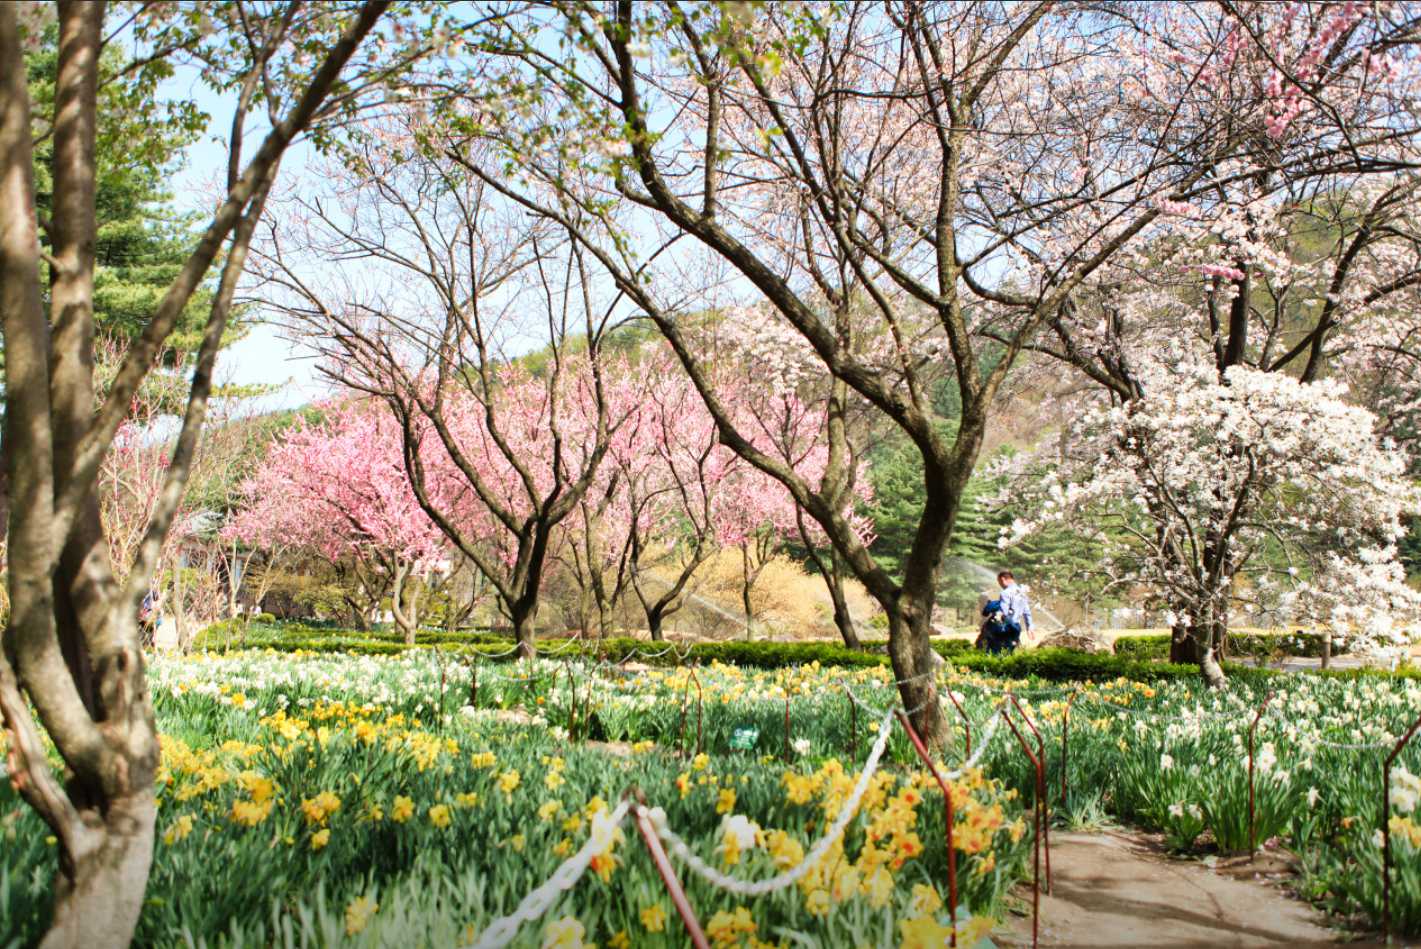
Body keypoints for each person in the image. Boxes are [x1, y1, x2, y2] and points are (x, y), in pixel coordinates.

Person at [996, 570, 1033, 646]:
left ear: (1003, 579)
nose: (1000, 584)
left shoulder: (1005, 593)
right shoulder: (1022, 592)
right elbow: (1027, 612)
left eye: (999, 582)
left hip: (1007, 628)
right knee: (1015, 646)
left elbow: (1004, 613)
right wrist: (1029, 627)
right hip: (1016, 627)